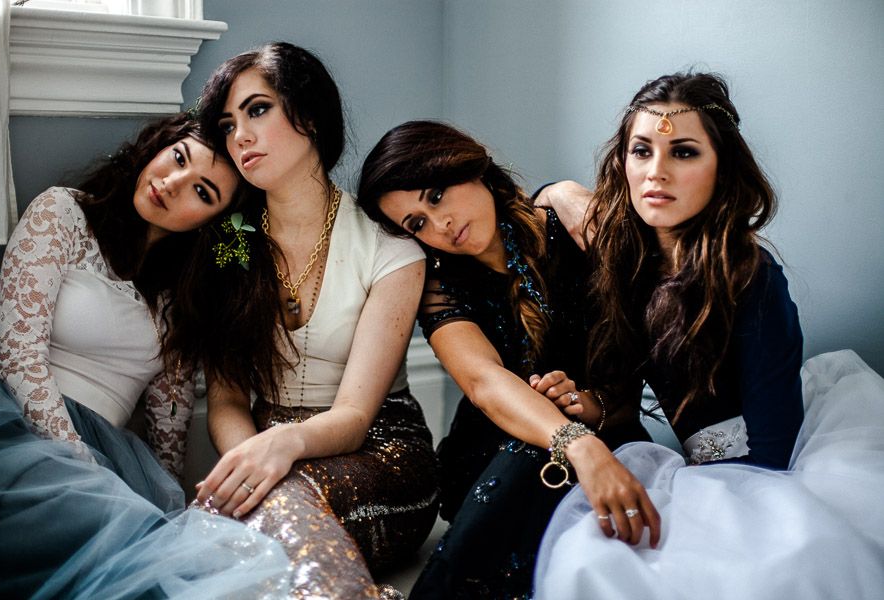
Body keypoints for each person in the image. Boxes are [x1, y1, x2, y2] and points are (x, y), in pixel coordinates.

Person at [534, 73, 884, 599]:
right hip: (695, 468)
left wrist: (713, 513)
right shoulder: (626, 267)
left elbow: (773, 456)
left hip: (764, 468)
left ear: (722, 168)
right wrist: (587, 404)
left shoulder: (751, 276)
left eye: (684, 152)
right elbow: (541, 199)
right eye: (641, 151)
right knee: (588, 556)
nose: (656, 172)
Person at [0, 114, 296, 598]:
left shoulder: (182, 299)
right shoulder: (62, 212)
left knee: (175, 559)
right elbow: (17, 354)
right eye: (177, 158)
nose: (172, 183)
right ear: (157, 147)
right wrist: (83, 470)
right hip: (13, 421)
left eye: (202, 192)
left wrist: (166, 500)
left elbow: (168, 421)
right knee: (109, 537)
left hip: (108, 449)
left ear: (210, 223)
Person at [170, 43, 438, 599]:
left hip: (380, 455)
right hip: (267, 455)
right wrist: (248, 462)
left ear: (310, 116)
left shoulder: (391, 249)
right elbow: (226, 399)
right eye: (228, 125)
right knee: (213, 534)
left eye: (257, 110)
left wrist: (277, 455)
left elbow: (355, 418)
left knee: (273, 507)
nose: (240, 136)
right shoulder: (229, 245)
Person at [356, 120, 657, 599]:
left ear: (470, 165)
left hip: (608, 436)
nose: (440, 225)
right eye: (417, 224)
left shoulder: (575, 230)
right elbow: (483, 381)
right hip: (491, 457)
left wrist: (586, 406)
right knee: (540, 447)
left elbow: (626, 384)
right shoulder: (440, 282)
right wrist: (576, 442)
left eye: (436, 196)